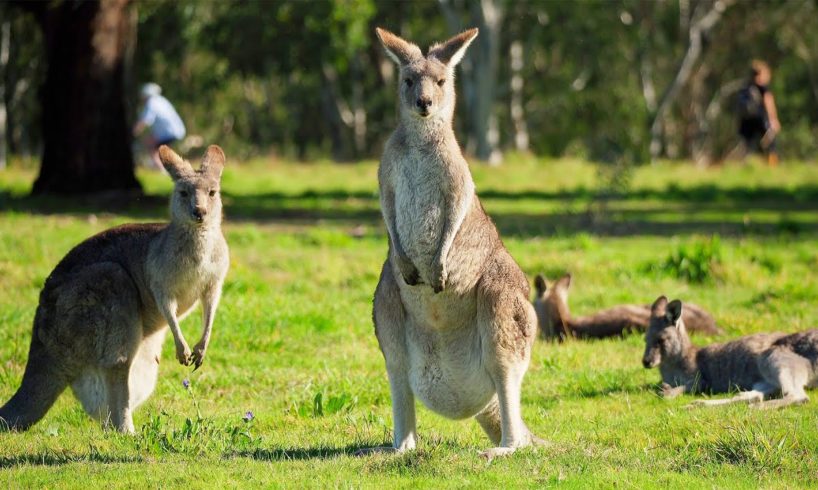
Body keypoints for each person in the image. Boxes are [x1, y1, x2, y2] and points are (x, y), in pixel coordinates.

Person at [734, 60, 781, 166]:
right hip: (760, 120)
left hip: (746, 121)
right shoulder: (762, 88)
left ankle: (748, 165)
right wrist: (773, 119)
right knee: (770, 145)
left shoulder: (745, 87)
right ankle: (772, 165)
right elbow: (768, 101)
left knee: (748, 146)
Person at [133, 83, 186, 170]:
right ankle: (159, 166)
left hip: (168, 132)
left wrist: (134, 131)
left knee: (151, 146)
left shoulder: (151, 102)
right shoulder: (161, 100)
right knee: (154, 145)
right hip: (177, 131)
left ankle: (161, 169)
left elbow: (145, 121)